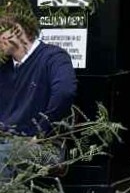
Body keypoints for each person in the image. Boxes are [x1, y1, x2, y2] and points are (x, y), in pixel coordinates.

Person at [0, 12, 77, 179]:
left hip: (45, 146)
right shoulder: (4, 67)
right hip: (5, 141)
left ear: (17, 31)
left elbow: (65, 92)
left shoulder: (53, 57)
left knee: (3, 155)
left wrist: (40, 134)